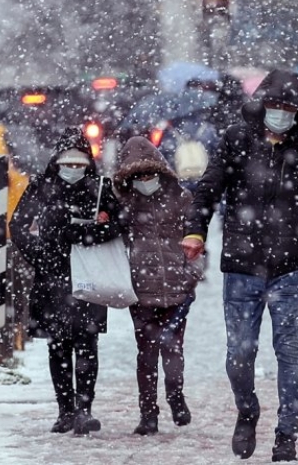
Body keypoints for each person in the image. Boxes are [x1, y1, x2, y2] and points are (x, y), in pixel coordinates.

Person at [181, 69, 298, 462]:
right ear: (263, 105)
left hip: (290, 267)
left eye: (289, 107)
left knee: (288, 350)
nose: (281, 113)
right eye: (275, 105)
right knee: (239, 355)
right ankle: (247, 410)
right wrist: (195, 232)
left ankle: (287, 434)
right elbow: (209, 188)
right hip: (240, 266)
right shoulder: (236, 141)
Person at [10, 127, 122, 436]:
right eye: (67, 163)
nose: (73, 170)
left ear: (89, 164)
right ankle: (65, 411)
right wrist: (39, 253)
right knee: (58, 345)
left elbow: (120, 223)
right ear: (56, 162)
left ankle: (84, 410)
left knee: (87, 344)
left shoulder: (100, 188)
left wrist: (88, 234)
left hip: (89, 275)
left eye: (79, 164)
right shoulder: (41, 187)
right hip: (52, 278)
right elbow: (17, 225)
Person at [113, 136, 204, 435]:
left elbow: (198, 240)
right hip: (141, 291)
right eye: (137, 176)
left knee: (173, 349)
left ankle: (176, 397)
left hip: (177, 288)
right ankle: (148, 412)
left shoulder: (181, 198)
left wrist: (191, 277)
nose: (144, 180)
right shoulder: (123, 205)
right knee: (147, 353)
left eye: (149, 174)